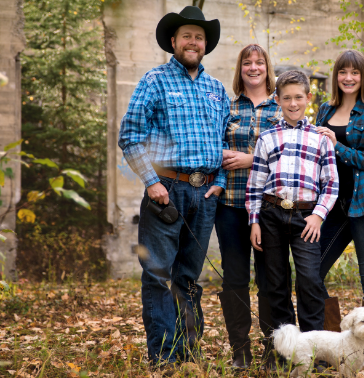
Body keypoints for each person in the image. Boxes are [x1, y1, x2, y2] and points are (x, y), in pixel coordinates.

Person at [117, 6, 229, 366]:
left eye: (199, 37)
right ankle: (164, 358)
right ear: (173, 42)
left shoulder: (216, 90)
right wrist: (151, 182)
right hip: (165, 190)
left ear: (205, 44)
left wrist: (221, 183)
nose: (193, 42)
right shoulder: (155, 80)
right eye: (186, 37)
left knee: (188, 277)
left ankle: (188, 352)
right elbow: (130, 136)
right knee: (159, 276)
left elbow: (226, 142)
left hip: (205, 193)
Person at [246, 70, 339, 365]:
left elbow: (331, 184)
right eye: (286, 98)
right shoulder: (268, 136)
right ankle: (283, 354)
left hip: (306, 218)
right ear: (277, 100)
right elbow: (256, 183)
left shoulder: (320, 138)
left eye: (299, 97)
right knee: (276, 284)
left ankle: (316, 352)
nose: (293, 103)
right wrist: (255, 221)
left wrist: (318, 217)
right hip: (272, 215)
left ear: (309, 98)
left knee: (310, 281)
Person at [215, 44, 293, 369]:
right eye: (247, 62)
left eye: (259, 62)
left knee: (270, 279)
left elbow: (291, 156)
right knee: (234, 279)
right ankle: (240, 352)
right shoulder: (227, 108)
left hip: (269, 209)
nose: (253, 67)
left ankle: (272, 352)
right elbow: (214, 146)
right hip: (232, 205)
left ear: (267, 67)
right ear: (240, 69)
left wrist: (249, 159)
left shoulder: (281, 108)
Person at [315, 49, 364, 363]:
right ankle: (337, 345)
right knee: (310, 271)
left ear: (363, 77)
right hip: (334, 204)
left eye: (354, 73)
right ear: (336, 76)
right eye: (343, 72)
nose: (348, 78)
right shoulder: (323, 110)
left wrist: (339, 146)